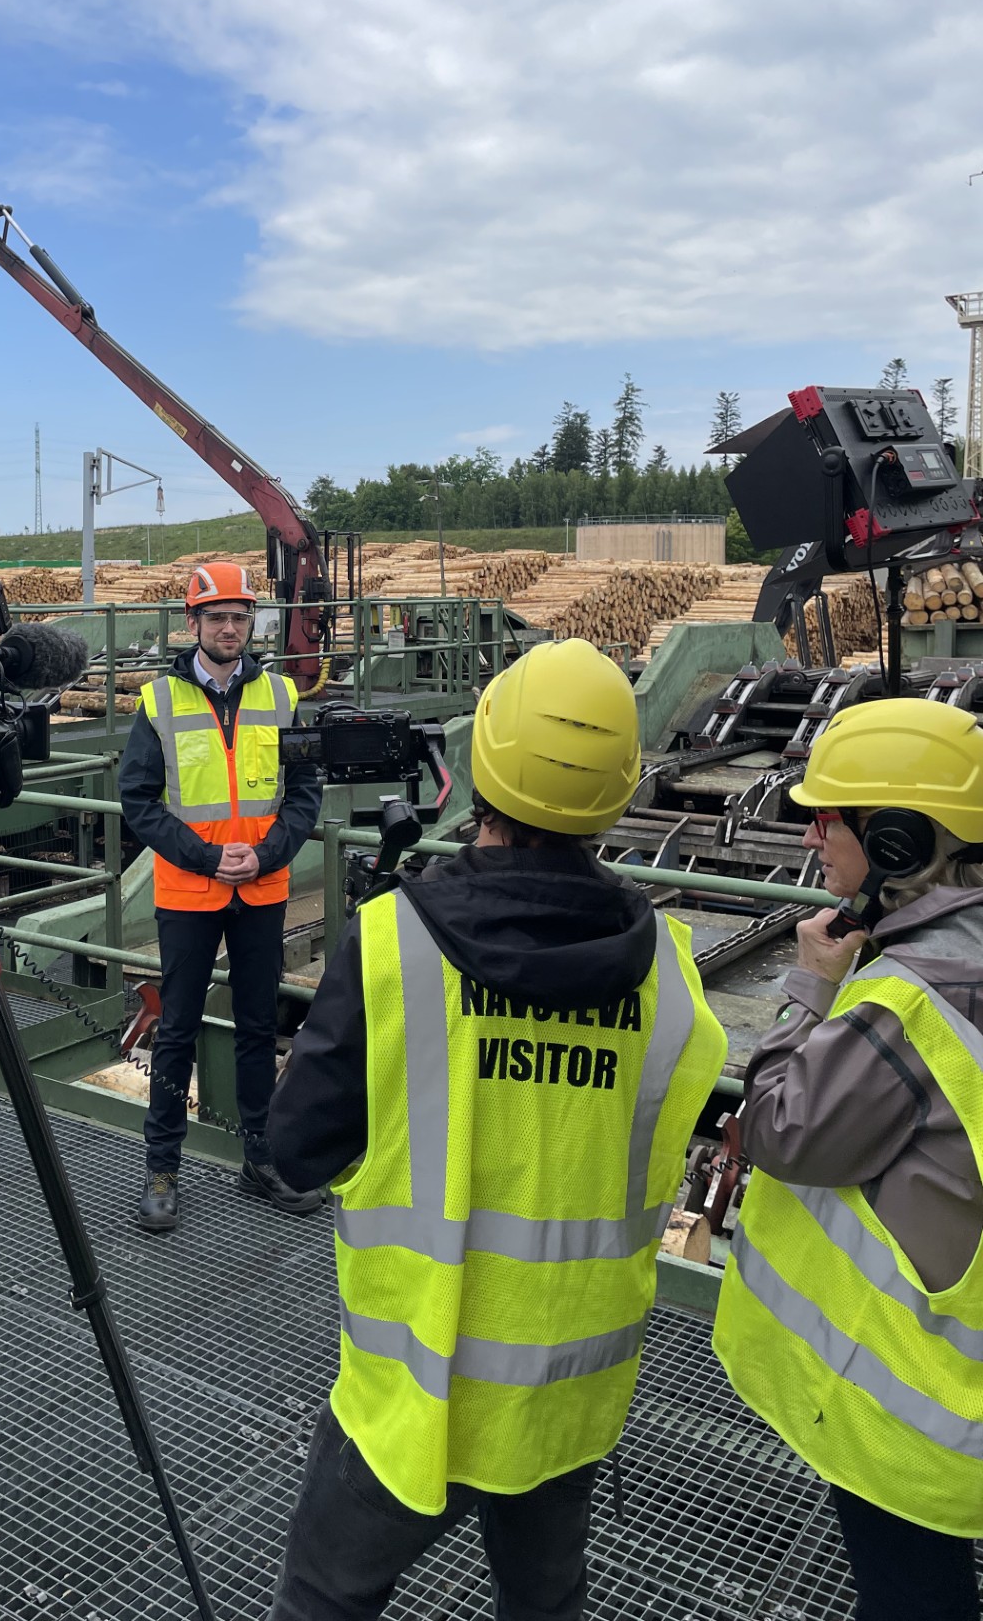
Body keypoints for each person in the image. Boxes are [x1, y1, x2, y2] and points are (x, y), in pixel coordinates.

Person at [264, 638, 727, 1621]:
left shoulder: (394, 945)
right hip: (568, 1392)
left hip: (417, 1394)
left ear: (483, 767)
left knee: (324, 1597)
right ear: (615, 790)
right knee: (545, 1602)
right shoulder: (673, 979)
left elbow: (298, 1150)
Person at [714, 697, 983, 1621]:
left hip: (912, 1410)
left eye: (827, 817)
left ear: (900, 840)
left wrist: (812, 989)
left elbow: (783, 1129)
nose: (810, 836)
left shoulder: (912, 998)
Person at [119, 561, 324, 1232]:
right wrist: (209, 858)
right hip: (189, 890)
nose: (230, 628)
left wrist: (265, 854)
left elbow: (304, 793)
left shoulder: (281, 696)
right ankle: (161, 1168)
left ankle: (259, 1158)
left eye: (240, 616)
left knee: (258, 1027)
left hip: (262, 887)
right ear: (193, 623)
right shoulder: (159, 702)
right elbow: (139, 802)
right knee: (177, 1029)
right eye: (217, 617)